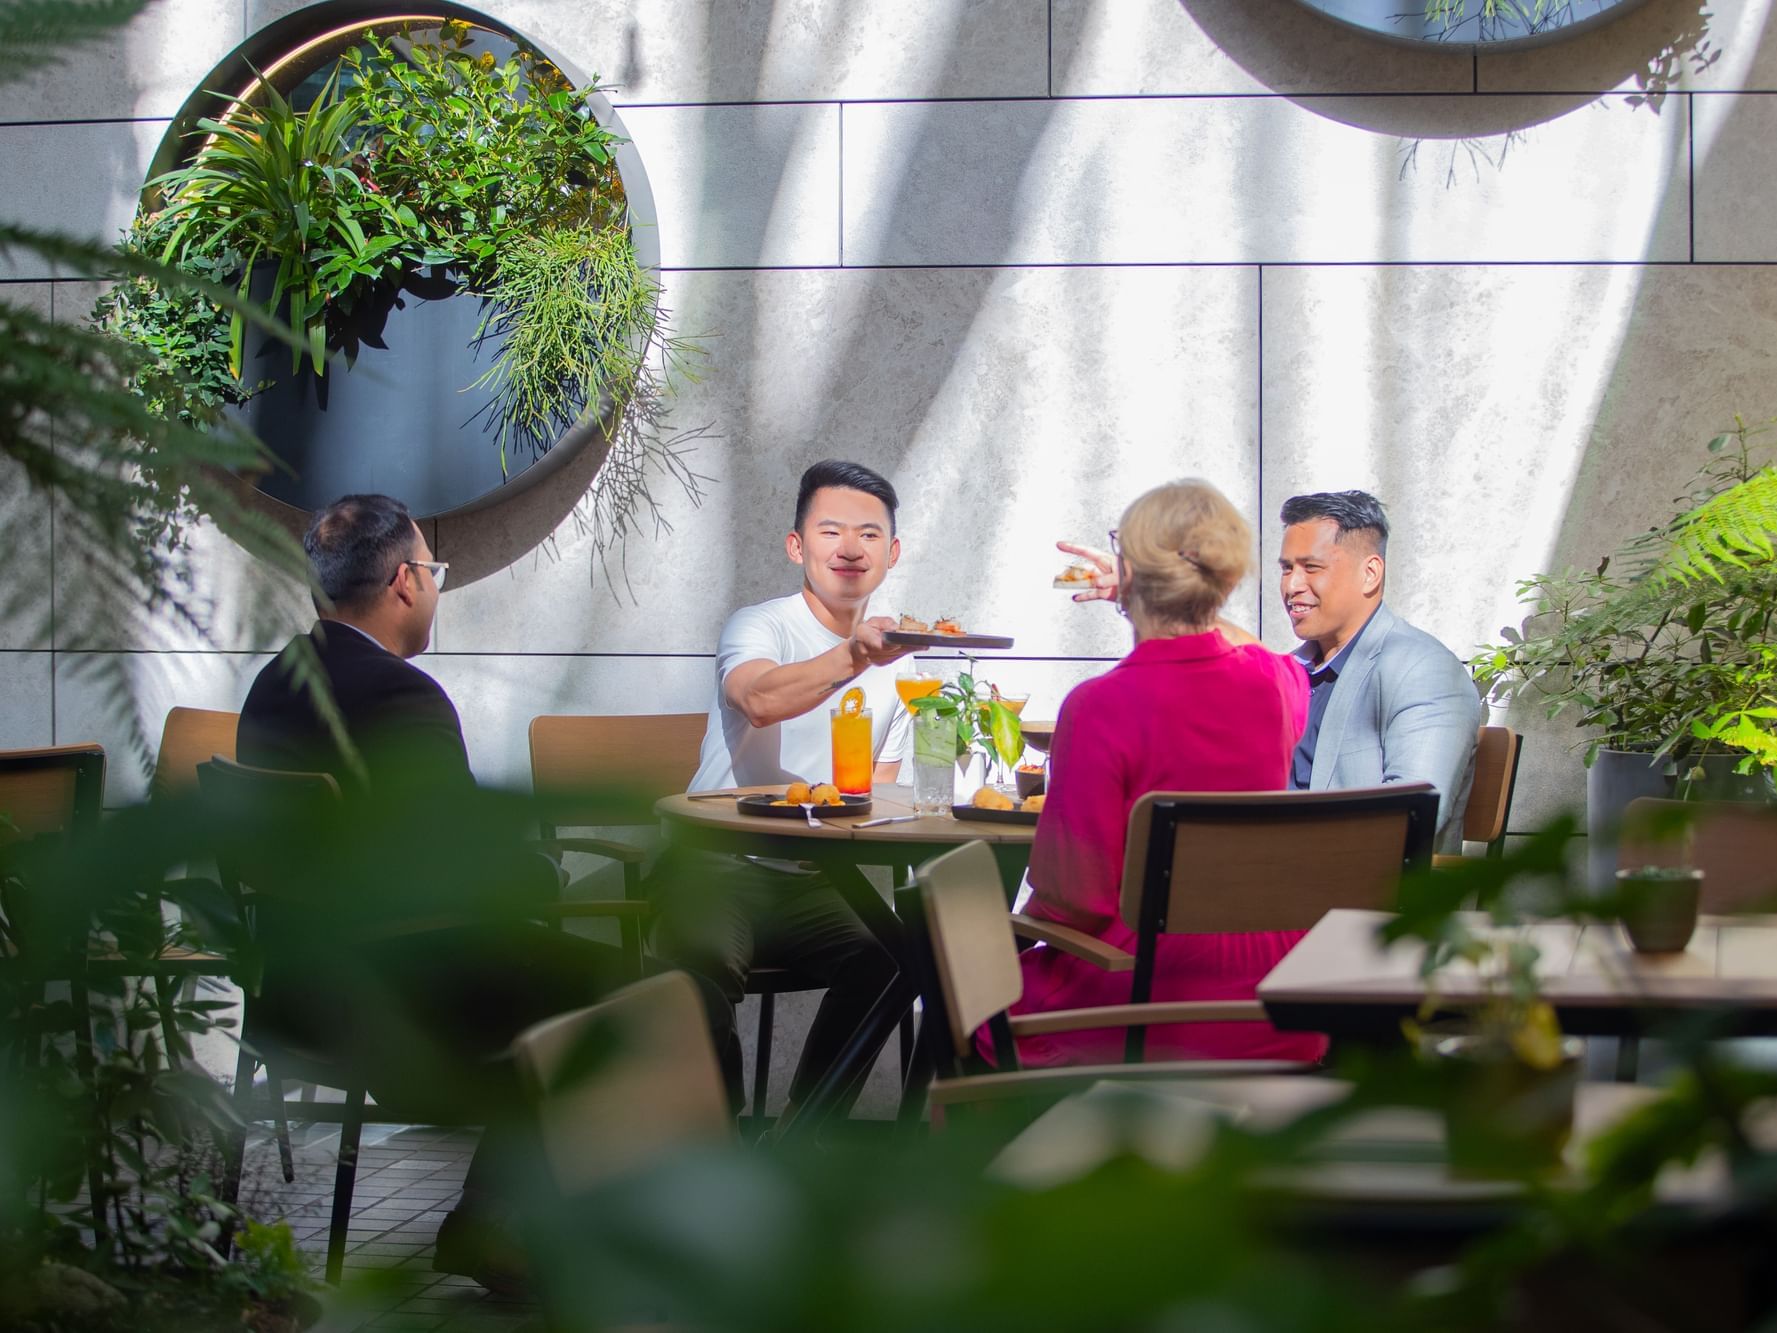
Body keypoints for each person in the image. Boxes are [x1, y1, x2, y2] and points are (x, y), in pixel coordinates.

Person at [237, 493, 618, 1291]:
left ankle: (502, 1222)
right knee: (623, 995)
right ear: (406, 580)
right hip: (400, 1005)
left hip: (294, 994)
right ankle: (506, 1224)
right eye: (434, 569)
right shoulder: (401, 696)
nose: (435, 587)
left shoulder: (272, 686)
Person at [1011, 479, 1319, 1066]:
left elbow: (1074, 897)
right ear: (1226, 581)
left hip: (1144, 999)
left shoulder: (1098, 706)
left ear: (1129, 573)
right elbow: (1260, 655)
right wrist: (1175, 597)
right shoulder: (1275, 685)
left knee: (969, 1002)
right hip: (1273, 998)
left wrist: (1017, 926)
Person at [653, 459, 912, 1120]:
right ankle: (721, 1145)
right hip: (715, 864)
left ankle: (803, 1131)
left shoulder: (902, 664)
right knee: (698, 973)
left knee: (896, 958)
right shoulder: (758, 625)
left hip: (813, 879)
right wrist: (855, 655)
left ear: (892, 552)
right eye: (830, 531)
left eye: (869, 534)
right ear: (797, 545)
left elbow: (877, 793)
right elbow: (761, 700)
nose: (849, 548)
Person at [1060, 488, 1481, 848]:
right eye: (1285, 568)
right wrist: (1148, 589)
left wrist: (1272, 859)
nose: (1292, 585)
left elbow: (1414, 821)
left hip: (1359, 917)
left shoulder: (1422, 670)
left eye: (1311, 567)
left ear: (1370, 573)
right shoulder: (1292, 670)